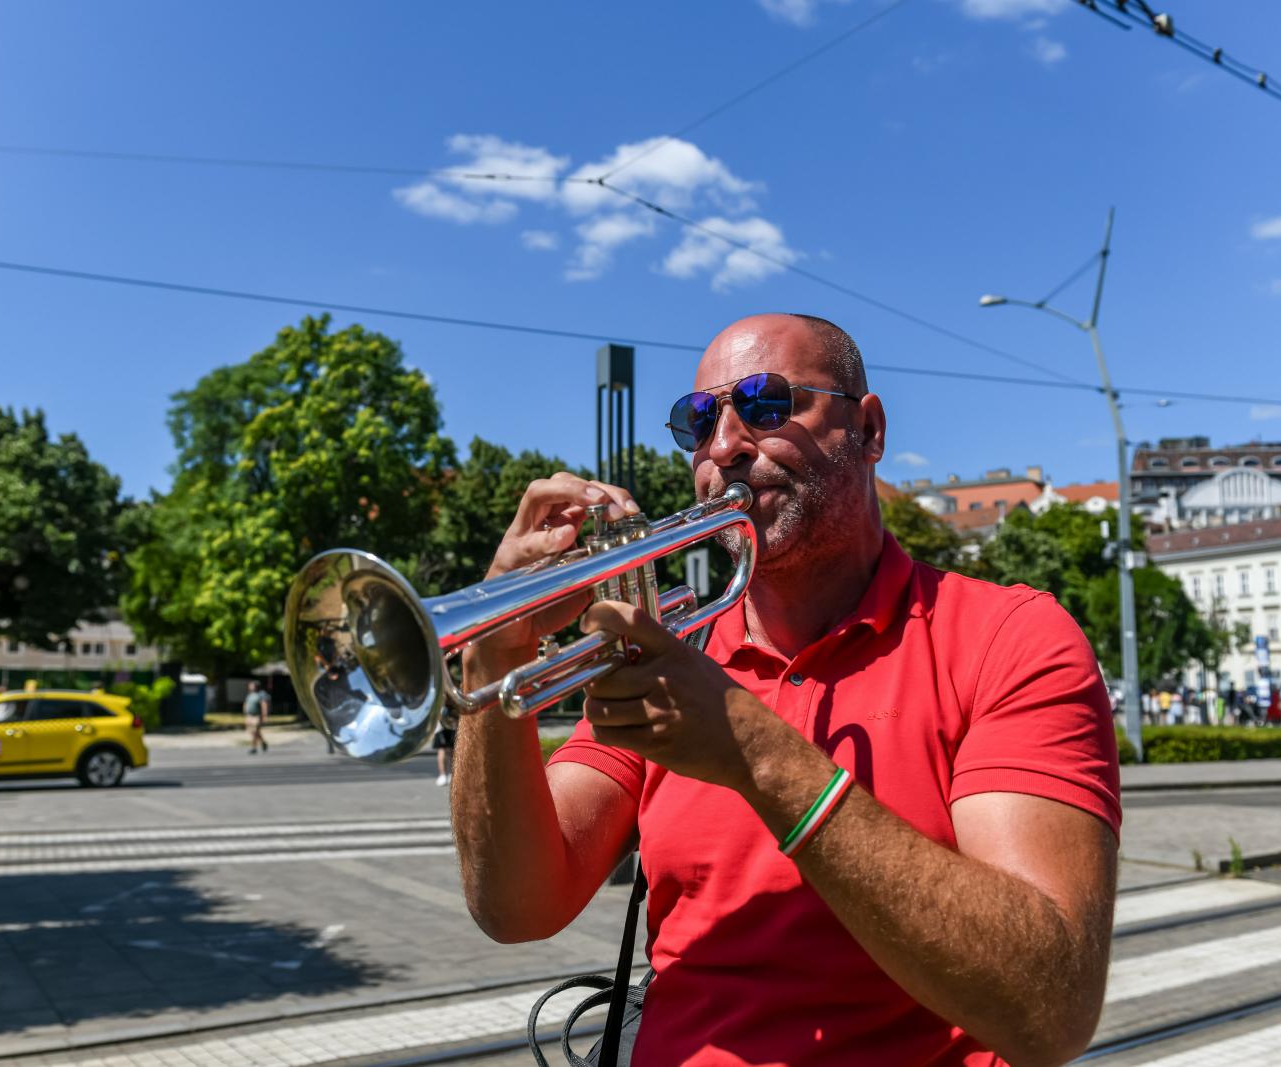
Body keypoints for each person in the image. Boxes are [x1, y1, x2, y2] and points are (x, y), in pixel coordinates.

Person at [452, 314, 1120, 1066]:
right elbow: (517, 904)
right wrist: (491, 647)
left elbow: (1050, 1009)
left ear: (868, 431)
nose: (726, 446)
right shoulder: (677, 651)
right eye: (697, 421)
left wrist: (753, 751)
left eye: (767, 404)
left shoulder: (1011, 637)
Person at [243, 680, 269, 754]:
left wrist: (264, 715)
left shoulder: (260, 694)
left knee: (255, 731)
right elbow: (246, 703)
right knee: (252, 732)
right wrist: (245, 713)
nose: (250, 686)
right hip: (249, 716)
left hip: (256, 716)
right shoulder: (250, 695)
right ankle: (263, 742)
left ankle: (253, 748)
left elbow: (264, 705)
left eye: (252, 685)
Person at [433, 709, 457, 787]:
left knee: (447, 750)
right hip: (443, 724)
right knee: (445, 750)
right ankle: (444, 775)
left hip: (451, 723)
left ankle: (447, 775)